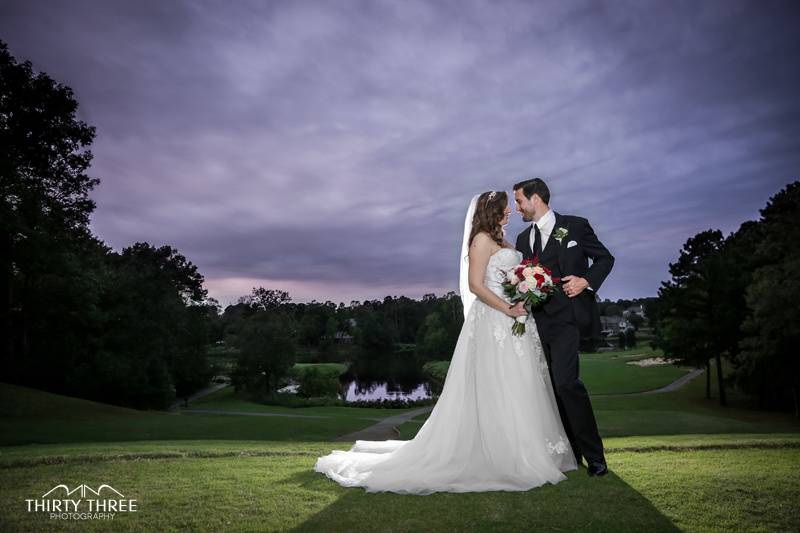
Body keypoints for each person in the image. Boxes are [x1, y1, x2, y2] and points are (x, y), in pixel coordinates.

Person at [313, 191, 577, 494]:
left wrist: (527, 292)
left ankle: (530, 451)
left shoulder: (507, 242)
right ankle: (503, 457)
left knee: (522, 384)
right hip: (494, 320)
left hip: (517, 319)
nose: (510, 213)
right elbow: (475, 286)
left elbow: (513, 278)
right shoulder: (480, 239)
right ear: (491, 211)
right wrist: (507, 308)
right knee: (497, 385)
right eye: (505, 209)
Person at [513, 177, 614, 476]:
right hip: (536, 324)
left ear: (536, 199)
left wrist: (586, 281)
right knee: (552, 391)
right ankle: (571, 453)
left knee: (567, 384)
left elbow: (605, 259)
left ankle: (596, 457)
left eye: (519, 200)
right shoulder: (522, 239)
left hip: (568, 320)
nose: (517, 207)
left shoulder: (575, 226)